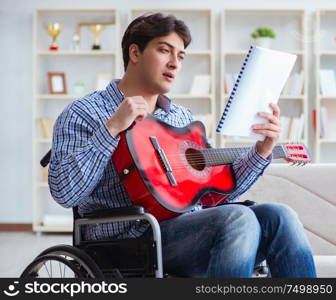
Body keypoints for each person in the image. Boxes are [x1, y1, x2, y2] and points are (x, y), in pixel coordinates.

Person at [49, 13, 316, 278]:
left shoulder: (182, 118)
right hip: (130, 238)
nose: (174, 63)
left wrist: (261, 152)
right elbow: (64, 193)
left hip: (194, 227)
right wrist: (112, 127)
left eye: (180, 56)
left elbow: (217, 195)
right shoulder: (84, 112)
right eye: (165, 51)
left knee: (281, 216)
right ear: (135, 52)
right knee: (237, 219)